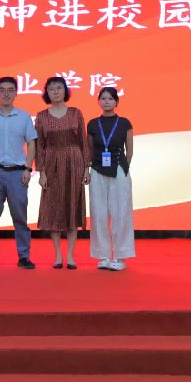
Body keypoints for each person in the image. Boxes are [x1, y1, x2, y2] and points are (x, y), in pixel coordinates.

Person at [0, 76, 38, 270]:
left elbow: (32, 143)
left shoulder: (24, 117)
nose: (6, 94)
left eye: (10, 90)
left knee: (20, 217)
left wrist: (28, 168)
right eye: (2, 90)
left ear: (16, 93)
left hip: (17, 173)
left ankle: (24, 256)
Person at [35, 76, 91, 270]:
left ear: (65, 90)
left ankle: (71, 256)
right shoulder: (41, 117)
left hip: (74, 163)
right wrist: (41, 172)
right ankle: (58, 255)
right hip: (51, 164)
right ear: (47, 93)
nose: (55, 91)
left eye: (59, 87)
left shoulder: (76, 113)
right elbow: (39, 146)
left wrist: (86, 168)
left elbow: (83, 141)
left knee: (72, 206)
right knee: (54, 208)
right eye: (51, 88)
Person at [86, 87, 135, 271]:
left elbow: (129, 151)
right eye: (103, 98)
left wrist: (124, 167)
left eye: (110, 99)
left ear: (116, 102)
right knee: (99, 214)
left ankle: (121, 257)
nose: (106, 102)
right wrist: (88, 170)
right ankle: (104, 256)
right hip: (97, 171)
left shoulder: (124, 123)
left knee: (121, 213)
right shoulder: (93, 124)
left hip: (119, 171)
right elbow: (90, 150)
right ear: (99, 101)